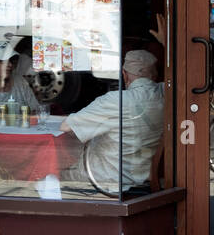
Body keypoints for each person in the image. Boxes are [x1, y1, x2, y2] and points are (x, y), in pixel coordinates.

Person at [59, 47, 164, 193]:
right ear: (155, 75)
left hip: (104, 180)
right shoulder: (166, 94)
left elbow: (67, 127)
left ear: (124, 75)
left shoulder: (115, 100)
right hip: (143, 178)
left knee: (50, 172)